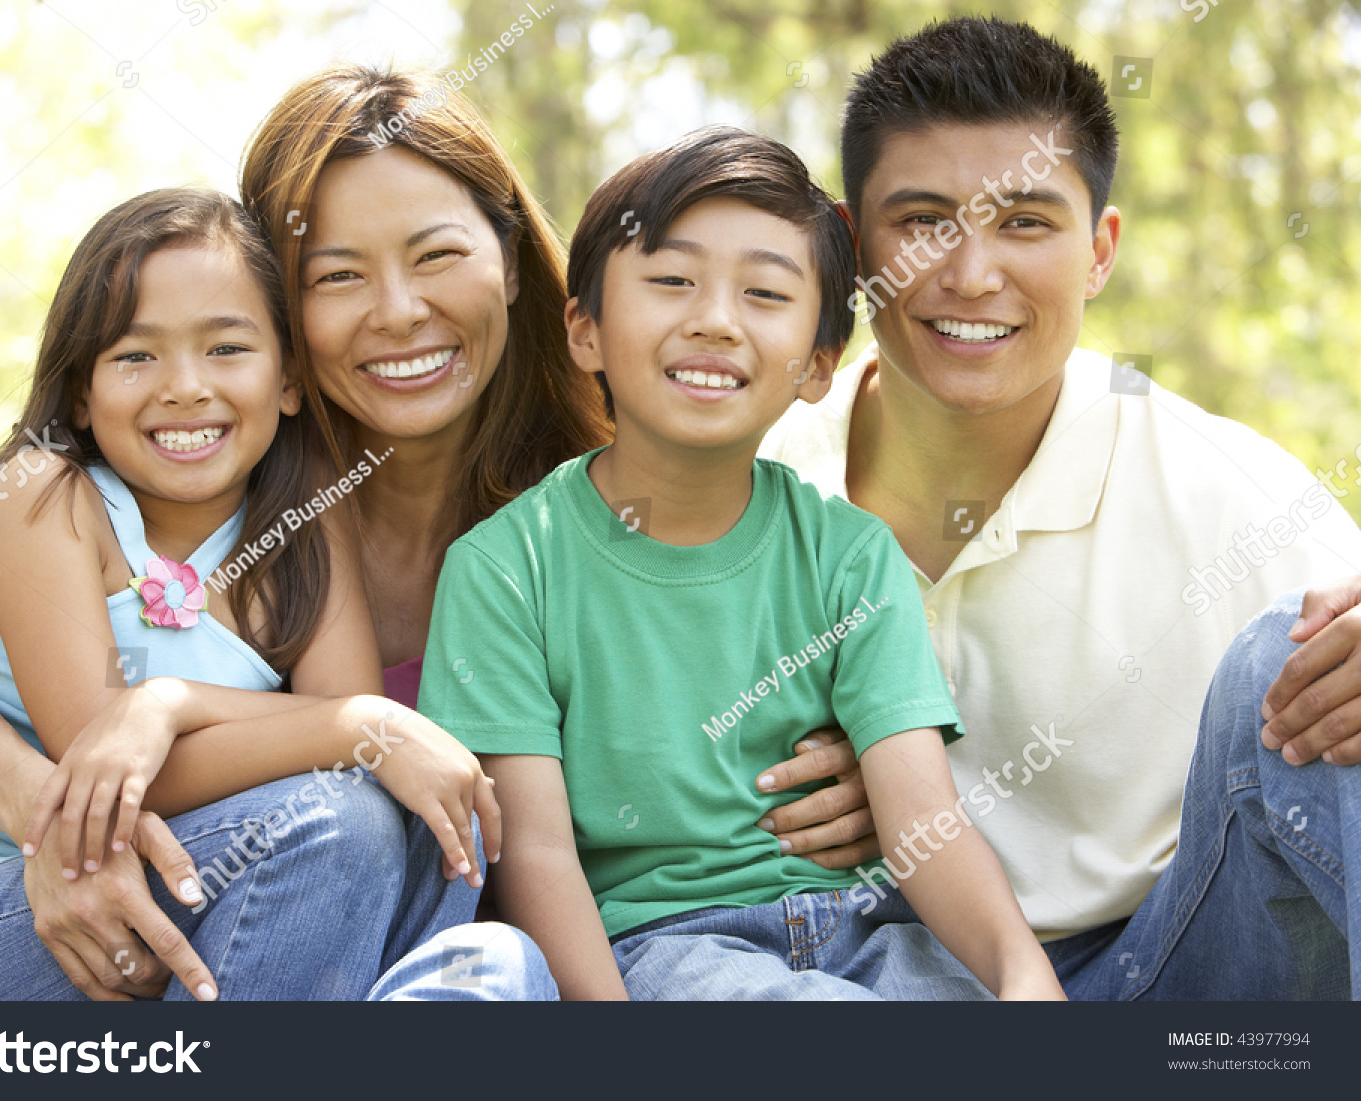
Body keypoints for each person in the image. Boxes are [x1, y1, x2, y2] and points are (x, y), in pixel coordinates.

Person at [0, 67, 870, 999]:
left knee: (484, 947)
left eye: (437, 256)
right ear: (276, 301)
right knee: (360, 822)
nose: (399, 311)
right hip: (135, 911)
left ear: (512, 261)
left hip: (487, 947)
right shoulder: (200, 496)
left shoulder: (612, 497)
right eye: (337, 275)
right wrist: (61, 826)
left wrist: (870, 763)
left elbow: (812, 634)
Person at [760, 15, 1361, 998]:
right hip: (884, 977)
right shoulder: (747, 476)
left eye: (1026, 221)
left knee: (1317, 666)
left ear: (1099, 250)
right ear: (847, 240)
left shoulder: (1228, 494)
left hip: (1182, 969)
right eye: (922, 221)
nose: (971, 275)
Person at [416, 126, 1066, 1000]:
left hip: (870, 932)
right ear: (586, 330)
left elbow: (927, 821)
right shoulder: (505, 568)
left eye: (765, 293)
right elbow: (533, 853)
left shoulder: (851, 555)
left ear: (819, 364)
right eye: (672, 281)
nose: (715, 321)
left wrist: (1024, 976)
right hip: (667, 950)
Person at [0, 186, 547, 1000]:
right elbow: (106, 762)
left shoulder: (304, 524)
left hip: (168, 886)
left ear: (290, 380)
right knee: (340, 821)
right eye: (135, 356)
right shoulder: (45, 496)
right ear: (81, 391)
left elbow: (357, 741)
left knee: (463, 887)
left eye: (226, 348)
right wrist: (361, 723)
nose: (185, 387)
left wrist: (176, 703)